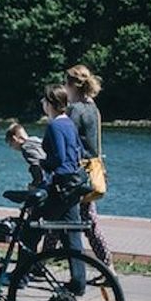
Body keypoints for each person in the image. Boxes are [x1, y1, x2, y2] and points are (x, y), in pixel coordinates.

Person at [15, 84, 88, 294]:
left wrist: (42, 164)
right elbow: (78, 152)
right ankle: (78, 281)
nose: (42, 104)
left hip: (58, 186)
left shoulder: (55, 126)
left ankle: (21, 277)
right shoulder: (70, 124)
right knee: (72, 235)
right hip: (73, 185)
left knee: (29, 230)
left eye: (44, 100)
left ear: (51, 103)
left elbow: (59, 159)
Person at [65, 64, 112, 268]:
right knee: (86, 218)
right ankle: (107, 264)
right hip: (94, 168)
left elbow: (68, 138)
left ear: (72, 85)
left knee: (65, 214)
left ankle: (106, 263)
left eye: (66, 83)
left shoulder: (75, 109)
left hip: (79, 170)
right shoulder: (93, 107)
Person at [5, 122, 46, 188]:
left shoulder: (26, 148)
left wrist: (35, 184)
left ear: (15, 139)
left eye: (10, 144)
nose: (12, 148)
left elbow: (37, 166)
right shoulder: (36, 140)